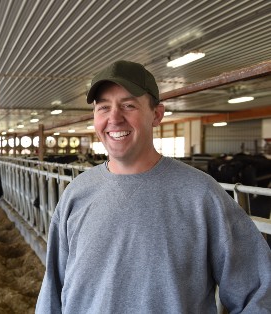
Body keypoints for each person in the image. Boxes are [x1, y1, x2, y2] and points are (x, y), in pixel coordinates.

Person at [36, 60, 271, 313]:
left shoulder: (201, 195)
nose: (114, 118)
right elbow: (53, 290)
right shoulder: (76, 193)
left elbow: (258, 292)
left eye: (128, 105)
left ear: (157, 114)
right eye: (104, 107)